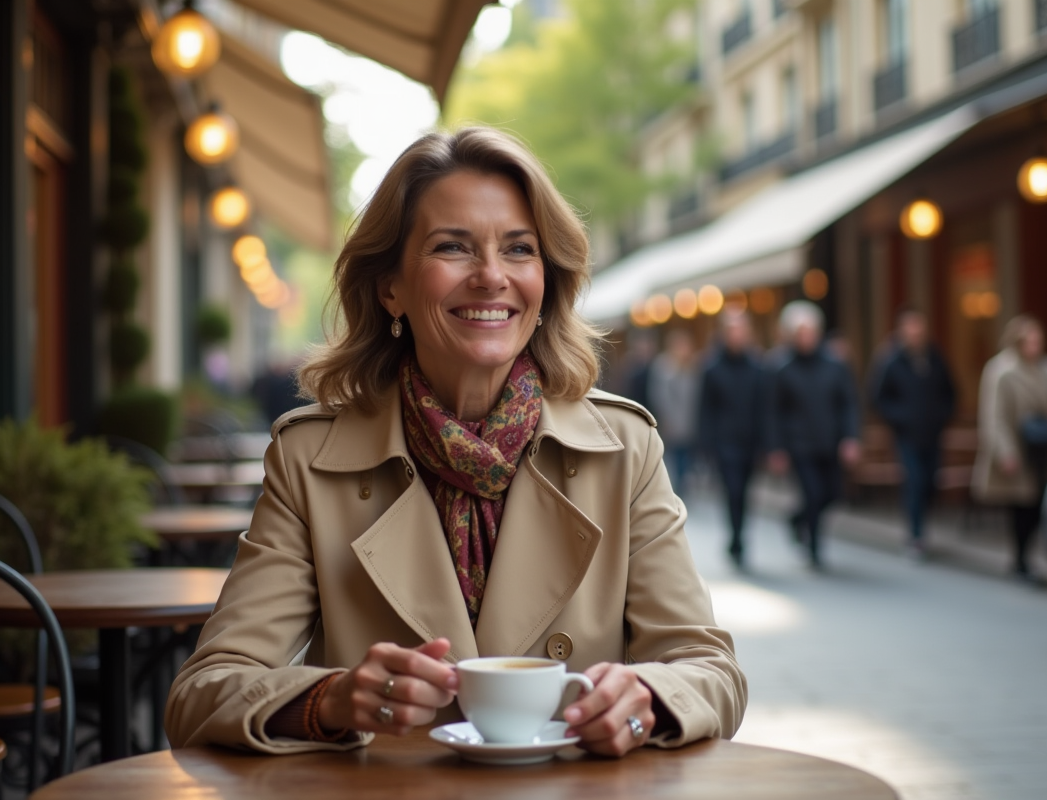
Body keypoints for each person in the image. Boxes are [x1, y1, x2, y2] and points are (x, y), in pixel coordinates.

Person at [165, 128, 746, 758]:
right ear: (390, 286)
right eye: (453, 247)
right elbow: (202, 693)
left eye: (519, 249)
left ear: (546, 280)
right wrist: (329, 700)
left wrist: (645, 700)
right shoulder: (309, 461)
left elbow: (710, 671)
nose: (492, 276)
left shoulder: (625, 450)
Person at [766, 302, 861, 569]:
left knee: (833, 493)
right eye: (801, 332)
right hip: (799, 444)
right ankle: (815, 548)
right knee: (813, 493)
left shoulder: (835, 364)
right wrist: (776, 448)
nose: (806, 337)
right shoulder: (782, 368)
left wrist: (851, 437)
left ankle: (798, 519)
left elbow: (848, 403)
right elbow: (773, 411)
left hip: (830, 441)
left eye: (810, 331)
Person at [971, 315, 1047, 581]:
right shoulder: (1001, 371)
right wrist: (1005, 453)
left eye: (1038, 341)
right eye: (1029, 341)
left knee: (1041, 503)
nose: (1034, 346)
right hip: (1019, 447)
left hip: (1045, 449)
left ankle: (1026, 556)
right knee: (1021, 504)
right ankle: (1021, 559)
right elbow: (994, 417)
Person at [870, 307, 956, 557]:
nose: (915, 333)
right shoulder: (891, 361)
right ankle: (916, 534)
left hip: (932, 433)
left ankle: (921, 526)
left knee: (930, 481)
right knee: (915, 481)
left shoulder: (935, 358)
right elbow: (878, 398)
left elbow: (950, 392)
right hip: (907, 435)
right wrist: (901, 418)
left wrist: (941, 416)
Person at [699, 310, 764, 569]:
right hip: (724, 443)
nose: (737, 336)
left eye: (741, 330)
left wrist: (767, 443)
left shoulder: (757, 366)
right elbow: (705, 409)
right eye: (733, 331)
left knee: (744, 492)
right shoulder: (712, 368)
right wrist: (706, 445)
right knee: (733, 490)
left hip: (750, 441)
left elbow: (764, 407)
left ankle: (740, 534)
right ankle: (736, 538)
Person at [647, 328, 701, 495]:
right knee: (676, 457)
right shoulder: (664, 367)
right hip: (673, 423)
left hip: (690, 421)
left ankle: (683, 484)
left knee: (688, 457)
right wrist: (666, 419)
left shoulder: (692, 367)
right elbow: (660, 397)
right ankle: (678, 488)